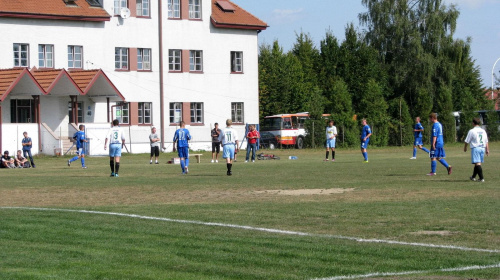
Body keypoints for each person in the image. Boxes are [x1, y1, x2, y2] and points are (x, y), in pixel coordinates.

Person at [464, 118, 489, 182]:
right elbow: (486, 141)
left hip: (476, 148)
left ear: (473, 123)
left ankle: (481, 178)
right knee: (477, 163)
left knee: (477, 164)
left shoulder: (472, 131)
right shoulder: (483, 131)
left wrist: (465, 147)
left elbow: (467, 140)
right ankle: (473, 177)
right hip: (482, 148)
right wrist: (487, 149)